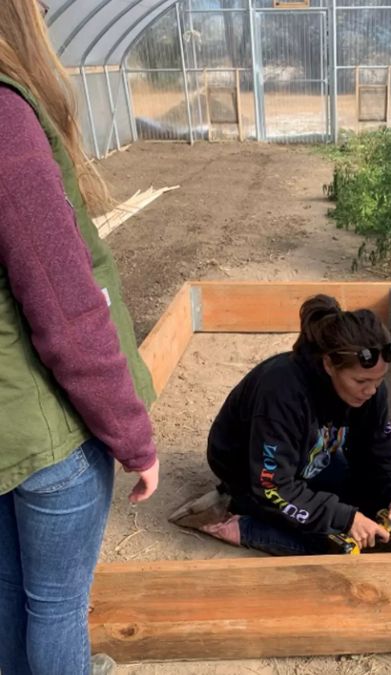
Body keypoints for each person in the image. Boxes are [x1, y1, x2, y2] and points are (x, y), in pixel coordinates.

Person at [0, 1, 159, 674]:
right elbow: (65, 307)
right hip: (46, 433)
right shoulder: (5, 119)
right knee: (59, 603)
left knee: (13, 594)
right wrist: (132, 434)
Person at [171, 294, 391, 556]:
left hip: (307, 461)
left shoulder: (371, 388)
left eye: (378, 380)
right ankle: (239, 523)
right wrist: (345, 519)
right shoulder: (282, 394)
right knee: (339, 544)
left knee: (368, 506)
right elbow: (273, 485)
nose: (371, 390)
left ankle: (273, 508)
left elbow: (379, 455)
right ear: (329, 364)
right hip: (252, 473)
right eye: (361, 382)